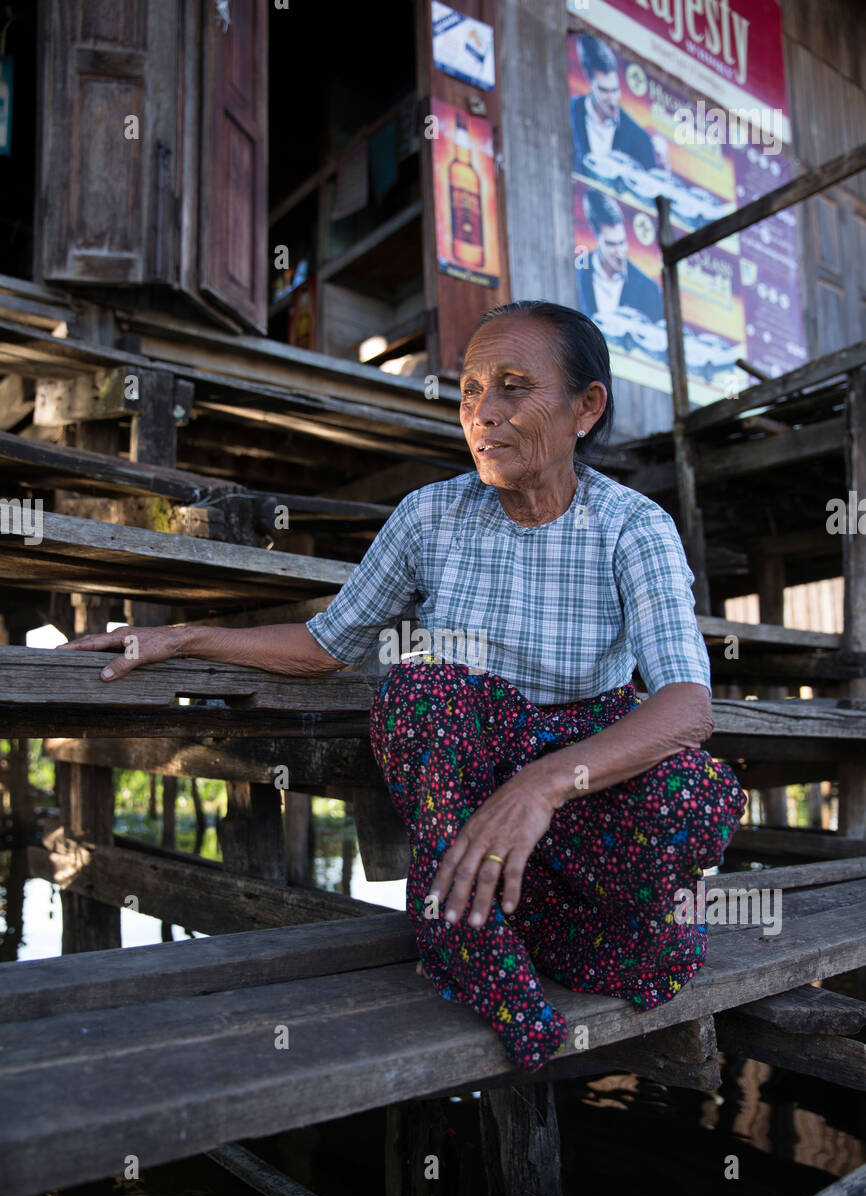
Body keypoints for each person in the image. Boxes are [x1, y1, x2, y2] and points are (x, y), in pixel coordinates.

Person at [59, 302, 746, 1075]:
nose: (483, 414)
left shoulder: (632, 527)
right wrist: (184, 636)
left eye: (514, 387)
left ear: (585, 408)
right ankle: (467, 937)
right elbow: (327, 645)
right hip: (470, 764)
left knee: (696, 799)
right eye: (470, 391)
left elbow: (687, 706)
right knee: (424, 688)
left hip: (578, 767)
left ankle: (532, 918)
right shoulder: (430, 516)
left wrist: (543, 785)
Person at [571, 34, 657, 173]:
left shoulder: (639, 138)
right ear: (589, 82)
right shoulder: (571, 114)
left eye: (615, 90)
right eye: (604, 91)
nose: (612, 99)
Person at [577, 190, 664, 322]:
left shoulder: (648, 289)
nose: (619, 252)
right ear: (597, 239)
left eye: (622, 242)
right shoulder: (578, 272)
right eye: (611, 244)